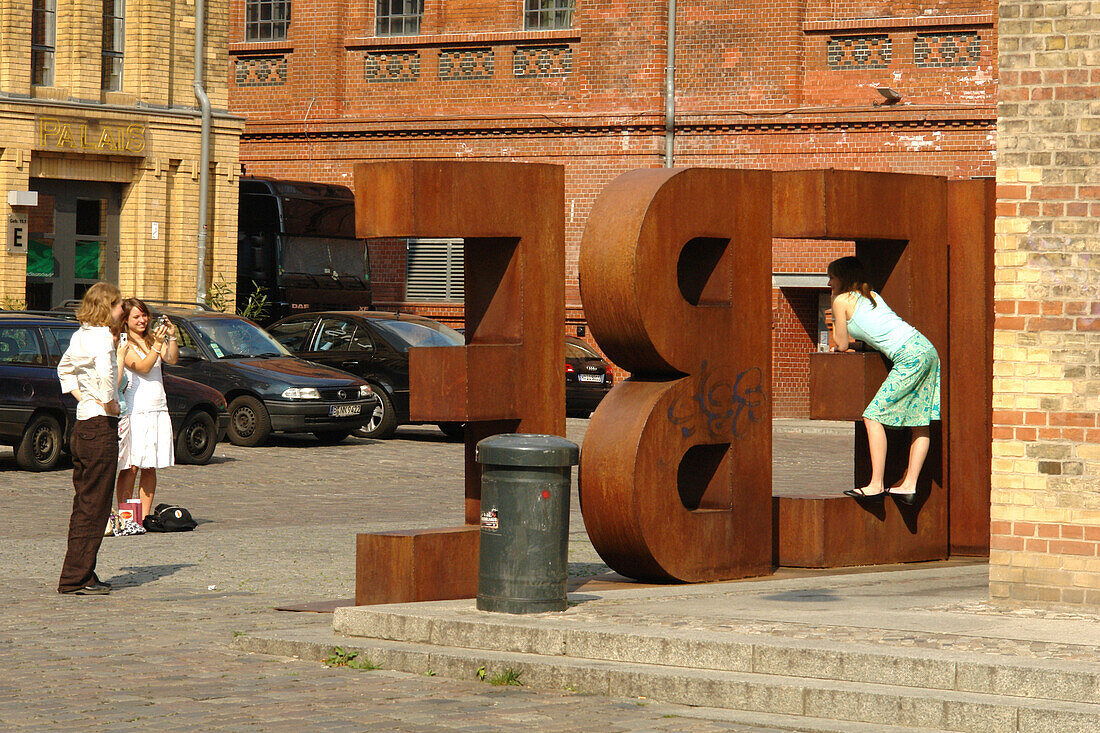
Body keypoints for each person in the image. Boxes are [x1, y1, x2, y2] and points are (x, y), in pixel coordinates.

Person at [827, 256, 941, 504]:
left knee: (872, 415)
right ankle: (909, 485)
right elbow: (875, 333)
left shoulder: (840, 300)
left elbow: (842, 343)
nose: (828, 282)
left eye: (831, 277)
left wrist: (833, 316)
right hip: (925, 348)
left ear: (842, 278)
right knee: (920, 420)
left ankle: (876, 485)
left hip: (908, 356)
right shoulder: (873, 296)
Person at [57, 283, 125, 594]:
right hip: (99, 426)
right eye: (118, 303)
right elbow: (108, 377)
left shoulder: (80, 334)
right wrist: (108, 401)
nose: (122, 309)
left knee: (84, 502)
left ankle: (80, 571)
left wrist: (82, 396)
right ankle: (77, 577)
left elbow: (64, 370)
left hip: (84, 424)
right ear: (107, 306)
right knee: (94, 505)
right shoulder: (100, 338)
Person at [115, 299, 179, 522]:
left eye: (144, 316)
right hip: (136, 409)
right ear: (126, 320)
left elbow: (170, 358)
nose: (142, 320)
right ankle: (125, 515)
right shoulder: (124, 343)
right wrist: (156, 346)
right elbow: (142, 367)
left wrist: (170, 336)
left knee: (149, 465)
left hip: (157, 407)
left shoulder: (152, 339)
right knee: (131, 466)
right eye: (136, 317)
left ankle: (143, 517)